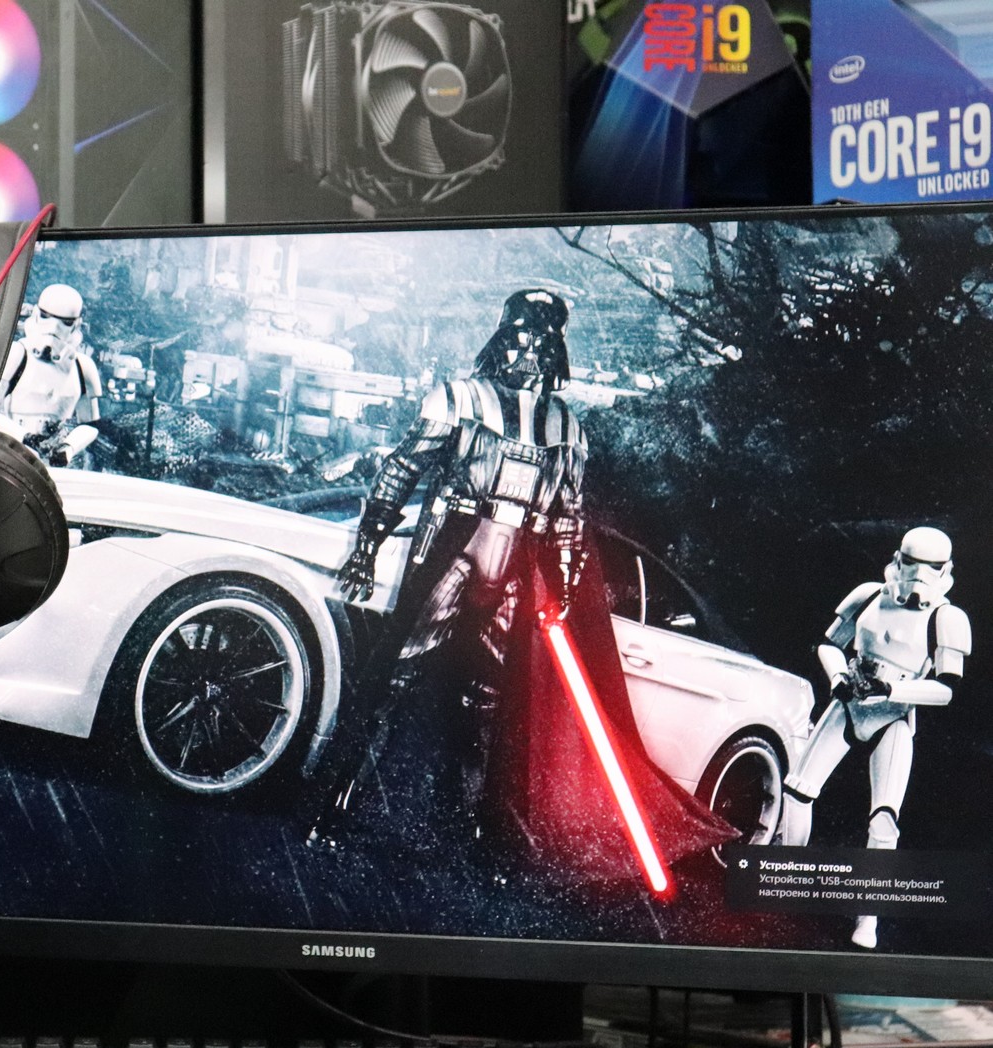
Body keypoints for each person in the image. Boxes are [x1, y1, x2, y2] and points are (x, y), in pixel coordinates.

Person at [312, 289, 731, 884]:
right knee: (394, 678)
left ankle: (471, 838)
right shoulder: (457, 398)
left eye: (540, 339)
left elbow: (568, 514)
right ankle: (331, 806)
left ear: (556, 349)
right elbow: (402, 468)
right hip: (458, 543)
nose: (527, 350)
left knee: (489, 704)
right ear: (500, 337)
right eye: (517, 336)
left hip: (518, 564)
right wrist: (368, 544)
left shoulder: (568, 426)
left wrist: (564, 584)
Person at [776, 527, 971, 948]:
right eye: (911, 564)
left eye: (930, 567)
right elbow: (829, 644)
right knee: (797, 791)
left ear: (946, 570)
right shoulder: (868, 595)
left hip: (893, 715)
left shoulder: (946, 618)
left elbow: (946, 689)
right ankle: (785, 884)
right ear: (898, 559)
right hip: (849, 701)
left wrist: (891, 690)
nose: (918, 576)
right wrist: (838, 677)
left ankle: (868, 921)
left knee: (884, 820)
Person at [0, 283, 102, 467]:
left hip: (56, 463)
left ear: (76, 324)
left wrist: (68, 448)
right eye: (46, 317)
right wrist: (25, 437)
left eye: (65, 322)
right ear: (36, 314)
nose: (54, 328)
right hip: (13, 456)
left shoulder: (83, 367)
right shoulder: (17, 355)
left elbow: (92, 424)